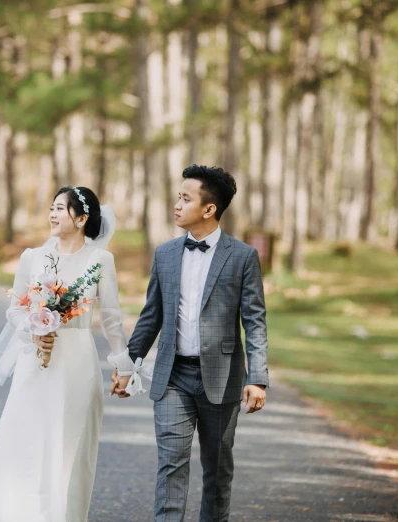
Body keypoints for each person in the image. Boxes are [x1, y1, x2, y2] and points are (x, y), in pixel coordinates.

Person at [111, 164, 270, 522]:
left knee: (217, 472)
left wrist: (257, 377)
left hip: (222, 378)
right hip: (173, 377)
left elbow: (254, 321)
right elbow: (151, 316)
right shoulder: (165, 253)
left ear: (209, 209)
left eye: (185, 199)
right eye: (177, 198)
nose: (177, 205)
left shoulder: (243, 256)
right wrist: (126, 367)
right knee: (171, 465)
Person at [0, 186, 137, 522]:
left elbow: (110, 316)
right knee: (27, 442)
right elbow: (14, 309)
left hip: (78, 361)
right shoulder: (32, 257)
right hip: (35, 362)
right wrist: (36, 329)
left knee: (71, 448)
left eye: (61, 209)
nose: (52, 214)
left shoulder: (100, 260)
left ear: (82, 218)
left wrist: (124, 365)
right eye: (51, 208)